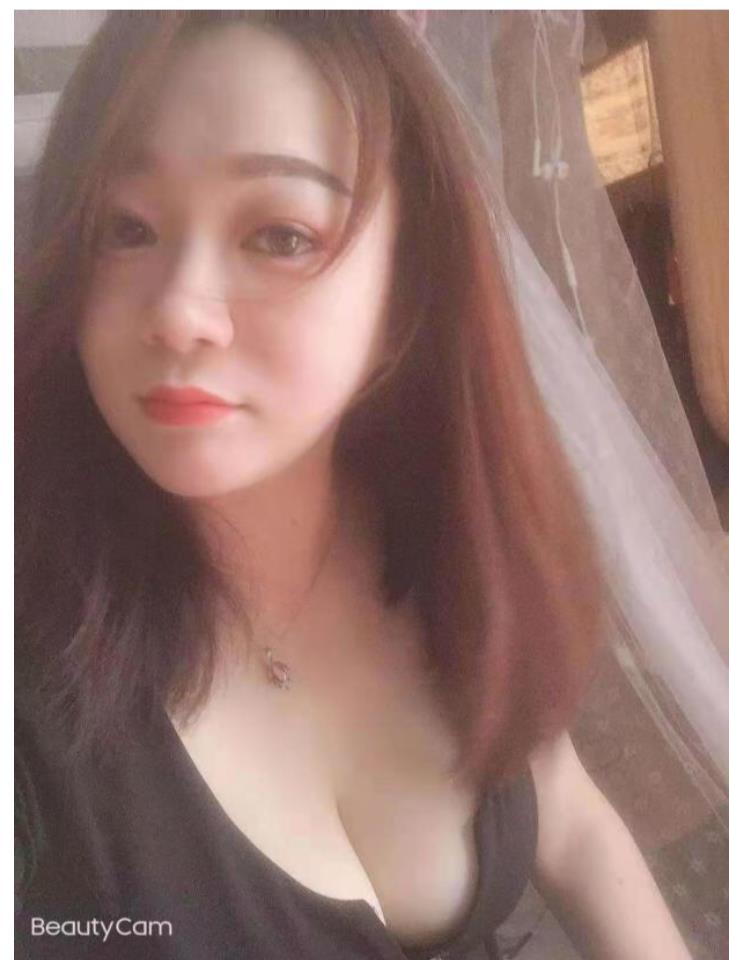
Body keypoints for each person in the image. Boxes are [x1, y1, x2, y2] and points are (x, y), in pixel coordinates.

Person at [15, 11, 695, 960]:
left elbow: (568, 815)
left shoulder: (448, 543)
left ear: (408, 284)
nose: (177, 311)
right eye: (125, 228)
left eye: (278, 234)